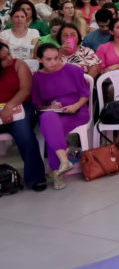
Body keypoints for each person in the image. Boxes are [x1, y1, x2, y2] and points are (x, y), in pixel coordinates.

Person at [31, 44, 91, 190]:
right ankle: (64, 162)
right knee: (48, 119)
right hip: (54, 114)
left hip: (76, 111)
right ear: (39, 59)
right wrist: (50, 107)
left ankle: (57, 170)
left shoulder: (73, 70)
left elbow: (85, 94)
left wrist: (75, 106)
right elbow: (38, 105)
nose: (54, 62)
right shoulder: (37, 78)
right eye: (48, 59)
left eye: (56, 58)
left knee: (50, 127)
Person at [0, 40, 46, 191]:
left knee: (24, 134)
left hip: (20, 106)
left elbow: (25, 90)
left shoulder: (18, 64)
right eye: (3, 58)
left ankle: (36, 178)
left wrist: (8, 107)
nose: (9, 58)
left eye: (8, 54)